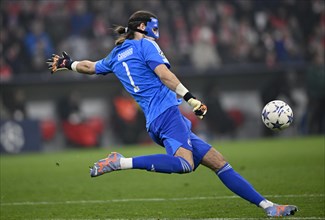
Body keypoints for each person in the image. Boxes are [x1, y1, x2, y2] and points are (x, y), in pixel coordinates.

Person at [47, 10, 297, 217]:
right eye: (153, 25)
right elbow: (164, 75)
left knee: (219, 163)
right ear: (142, 26)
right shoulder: (146, 44)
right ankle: (120, 161)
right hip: (167, 114)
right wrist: (191, 99)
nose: (157, 30)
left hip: (157, 119)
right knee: (185, 165)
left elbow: (90, 66)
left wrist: (68, 63)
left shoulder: (116, 55)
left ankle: (269, 207)